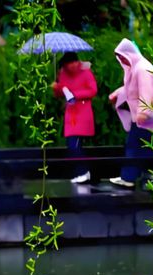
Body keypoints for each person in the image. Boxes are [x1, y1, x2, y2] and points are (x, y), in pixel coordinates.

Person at [108, 38, 153, 188]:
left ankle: (130, 177)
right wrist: (117, 94)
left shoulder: (142, 69)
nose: (121, 59)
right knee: (144, 147)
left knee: (134, 145)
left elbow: (146, 91)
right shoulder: (134, 69)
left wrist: (143, 112)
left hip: (146, 117)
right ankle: (149, 176)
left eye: (122, 56)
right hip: (143, 117)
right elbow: (130, 89)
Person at [51, 52, 98, 184]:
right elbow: (61, 93)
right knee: (72, 143)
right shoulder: (63, 73)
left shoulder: (86, 72)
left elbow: (93, 90)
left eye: (73, 63)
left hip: (82, 112)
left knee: (75, 143)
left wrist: (75, 94)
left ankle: (83, 171)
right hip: (71, 113)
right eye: (68, 64)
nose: (71, 66)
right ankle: (81, 172)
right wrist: (56, 88)